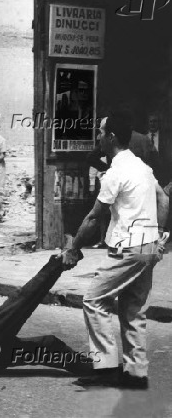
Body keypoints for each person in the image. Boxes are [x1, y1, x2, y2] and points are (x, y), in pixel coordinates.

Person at [63, 111, 170, 389]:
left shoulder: (116, 173)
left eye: (100, 131)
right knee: (133, 309)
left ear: (111, 137)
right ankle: (135, 373)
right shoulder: (141, 167)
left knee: (93, 300)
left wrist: (73, 248)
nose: (97, 135)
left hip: (128, 248)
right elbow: (164, 201)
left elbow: (94, 217)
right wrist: (157, 235)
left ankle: (106, 368)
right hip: (149, 246)